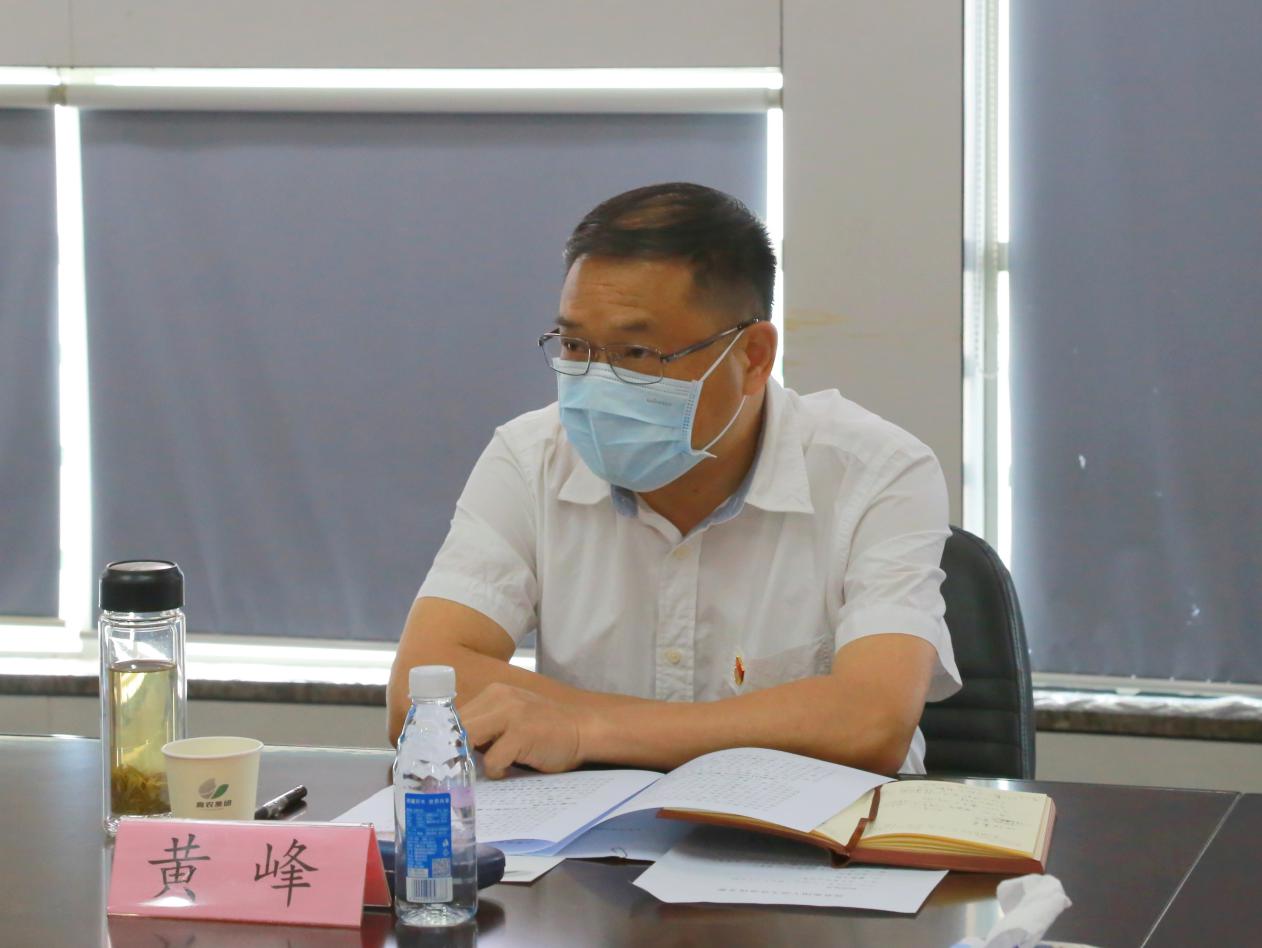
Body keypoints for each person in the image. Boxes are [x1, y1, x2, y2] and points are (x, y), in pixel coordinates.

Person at [388, 182, 960, 778]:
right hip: (587, 830)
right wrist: (761, 723)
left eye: (637, 353)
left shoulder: (877, 471)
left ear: (753, 356)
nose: (595, 382)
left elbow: (871, 721)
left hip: (817, 833)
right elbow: (418, 691)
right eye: (576, 345)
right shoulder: (530, 457)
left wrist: (588, 730)